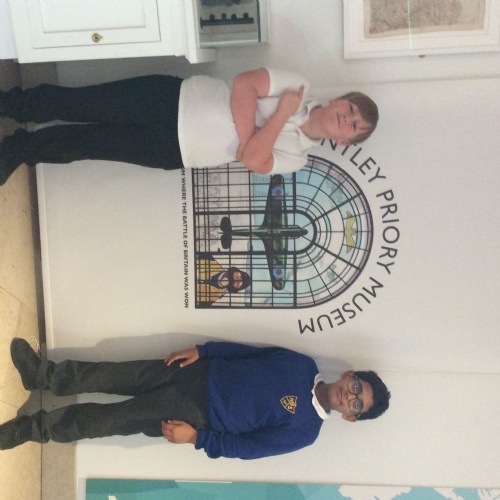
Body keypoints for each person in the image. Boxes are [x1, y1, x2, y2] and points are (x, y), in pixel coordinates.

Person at [0, 337, 390, 459]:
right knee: (108, 373)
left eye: (357, 404)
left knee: (108, 421)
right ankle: (42, 375)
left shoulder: (305, 432)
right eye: (357, 388)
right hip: (192, 371)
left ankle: (34, 429)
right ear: (350, 376)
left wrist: (196, 438)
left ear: (351, 417)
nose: (350, 396)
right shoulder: (303, 364)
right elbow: (248, 353)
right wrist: (204, 350)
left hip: (193, 413)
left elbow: (246, 449)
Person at [0, 68, 379, 186]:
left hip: (176, 151)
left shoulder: (297, 159)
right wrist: (255, 139)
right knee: (80, 102)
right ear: (337, 100)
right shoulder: (300, 86)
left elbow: (252, 160)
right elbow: (245, 83)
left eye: (353, 126)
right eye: (350, 109)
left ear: (345, 142)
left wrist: (280, 115)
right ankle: (10, 104)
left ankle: (19, 149)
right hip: (170, 98)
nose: (347, 118)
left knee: (89, 145)